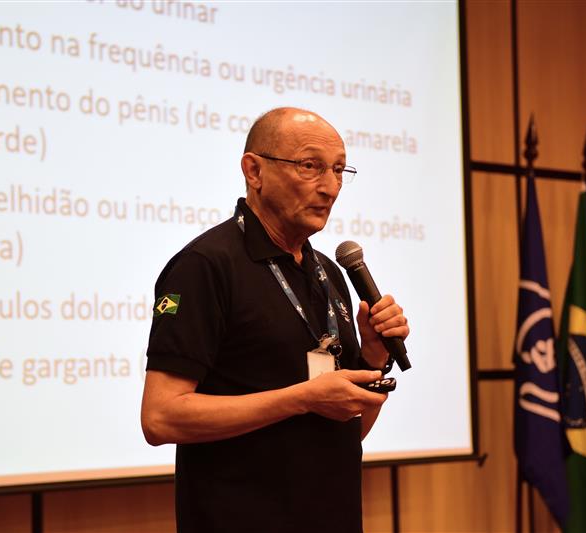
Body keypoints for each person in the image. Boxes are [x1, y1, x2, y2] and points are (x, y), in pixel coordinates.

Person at [140, 107, 409, 533]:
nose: (330, 187)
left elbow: (347, 432)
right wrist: (303, 398)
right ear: (254, 171)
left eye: (339, 170)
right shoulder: (206, 265)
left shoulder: (328, 273)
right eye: (310, 166)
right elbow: (160, 417)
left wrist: (374, 358)